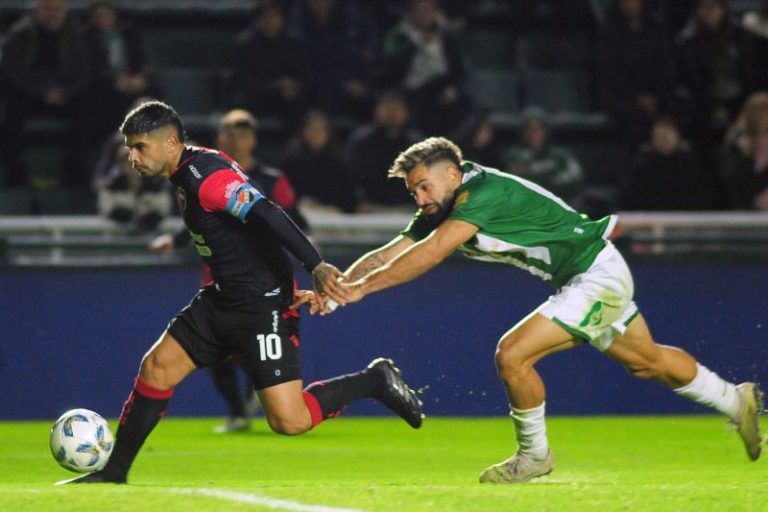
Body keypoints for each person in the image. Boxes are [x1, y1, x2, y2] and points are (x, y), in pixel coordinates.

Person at [308, 136, 764, 483]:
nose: (421, 199)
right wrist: (341, 286)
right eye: (414, 193)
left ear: (452, 173)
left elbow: (430, 255)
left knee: (512, 354)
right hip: (587, 275)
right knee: (648, 363)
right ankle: (733, 398)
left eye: (424, 187)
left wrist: (362, 290)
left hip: (594, 274)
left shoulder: (479, 194)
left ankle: (535, 456)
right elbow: (394, 250)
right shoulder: (444, 203)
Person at [59, 101, 423, 485]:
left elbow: (268, 212)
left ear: (169, 142)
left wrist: (314, 265)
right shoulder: (188, 169)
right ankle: (114, 474)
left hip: (261, 304)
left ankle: (374, 381)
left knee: (289, 420)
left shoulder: (205, 176)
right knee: (156, 368)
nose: (131, 157)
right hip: (222, 298)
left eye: (139, 147)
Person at [149, 108, 307, 433]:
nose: (238, 138)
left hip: (259, 280)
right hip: (218, 277)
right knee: (216, 354)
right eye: (231, 132)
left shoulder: (271, 179)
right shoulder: (197, 172)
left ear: (254, 138)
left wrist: (311, 258)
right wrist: (175, 240)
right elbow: (200, 216)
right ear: (221, 137)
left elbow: (285, 218)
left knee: (246, 349)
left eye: (244, 131)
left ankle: (259, 396)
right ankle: (238, 411)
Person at [0, 0, 92, 187]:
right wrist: (41, 91)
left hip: (65, 94)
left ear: (64, 12)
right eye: (47, 9)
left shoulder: (76, 35)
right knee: (11, 110)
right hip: (28, 94)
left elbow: (84, 72)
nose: (52, 14)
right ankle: (16, 175)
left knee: (86, 111)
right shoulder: (20, 33)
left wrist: (64, 91)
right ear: (37, 11)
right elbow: (12, 72)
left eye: (57, 9)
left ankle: (74, 175)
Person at [231, 1, 309, 128]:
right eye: (265, 17)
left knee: (299, 102)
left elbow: (304, 74)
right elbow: (242, 81)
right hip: (257, 97)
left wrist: (294, 85)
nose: (269, 22)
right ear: (257, 20)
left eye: (274, 17)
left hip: (285, 98)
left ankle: (295, 142)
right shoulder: (246, 44)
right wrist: (274, 86)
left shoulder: (293, 42)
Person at [344, 90, 422, 211]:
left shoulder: (416, 144)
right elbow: (352, 177)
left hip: (408, 208)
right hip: (370, 208)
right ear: (377, 111)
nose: (392, 114)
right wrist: (360, 200)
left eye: (396, 109)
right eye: (387, 109)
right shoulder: (361, 142)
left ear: (405, 112)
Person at [619, 116, 713, 210]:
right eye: (659, 136)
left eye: (667, 135)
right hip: (650, 217)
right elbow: (632, 196)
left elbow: (700, 195)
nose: (663, 140)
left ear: (678, 137)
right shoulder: (643, 165)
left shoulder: (689, 163)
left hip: (684, 217)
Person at [504, 106, 585, 207]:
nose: (533, 133)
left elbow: (575, 181)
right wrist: (550, 176)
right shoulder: (514, 156)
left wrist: (535, 175)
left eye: (537, 128)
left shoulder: (560, 156)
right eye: (528, 128)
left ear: (545, 130)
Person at [280, 109, 358, 213]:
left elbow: (347, 195)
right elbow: (284, 193)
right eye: (312, 130)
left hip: (333, 213)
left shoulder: (339, 160)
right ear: (304, 132)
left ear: (328, 133)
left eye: (320, 130)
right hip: (300, 213)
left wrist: (324, 202)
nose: (316, 135)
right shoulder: (292, 160)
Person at [720, 91, 768, 210]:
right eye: (760, 112)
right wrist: (745, 154)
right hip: (744, 205)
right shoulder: (738, 139)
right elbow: (729, 175)